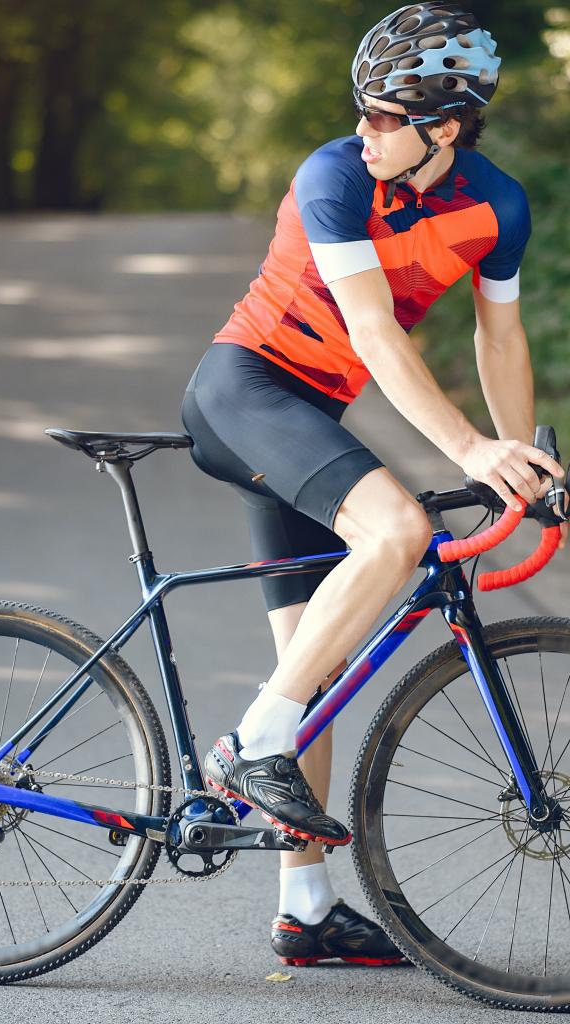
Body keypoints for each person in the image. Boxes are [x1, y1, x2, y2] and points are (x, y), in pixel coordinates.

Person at [180, 2, 566, 967]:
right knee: (392, 533)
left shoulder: (498, 205)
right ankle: (248, 746)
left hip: (311, 422)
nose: (364, 130)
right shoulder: (332, 178)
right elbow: (374, 337)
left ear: (445, 127)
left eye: (387, 117)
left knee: (313, 666)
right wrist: (469, 450)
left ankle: (305, 909)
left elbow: (500, 335)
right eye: (364, 111)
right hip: (246, 390)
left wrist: (515, 462)